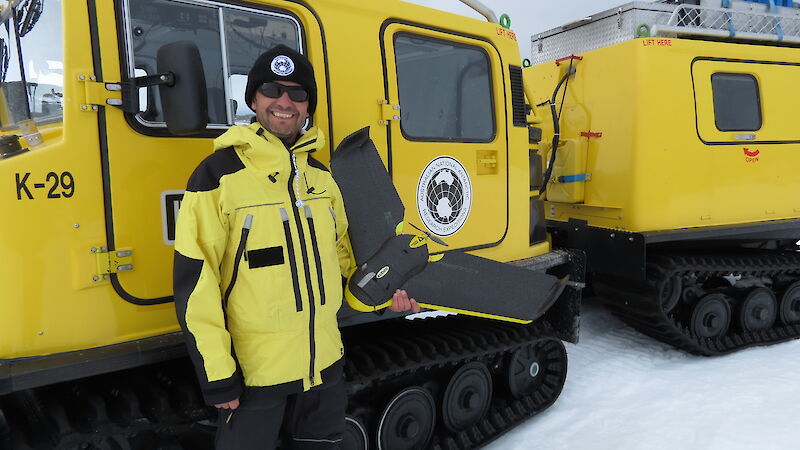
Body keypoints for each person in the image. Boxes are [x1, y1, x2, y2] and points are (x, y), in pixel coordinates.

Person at [173, 44, 420, 449]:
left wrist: (381, 297)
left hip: (324, 371)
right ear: (253, 99)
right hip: (256, 378)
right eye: (271, 89)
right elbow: (195, 285)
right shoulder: (217, 175)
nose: (285, 101)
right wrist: (218, 376)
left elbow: (344, 269)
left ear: (308, 108)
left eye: (298, 93)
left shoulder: (323, 179)